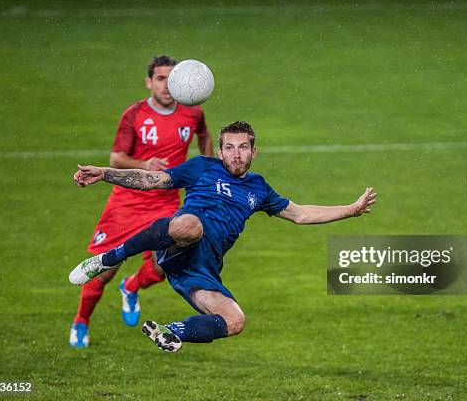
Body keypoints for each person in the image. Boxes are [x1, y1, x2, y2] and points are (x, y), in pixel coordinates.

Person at [69, 121, 377, 353]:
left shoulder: (259, 188)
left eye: (243, 147)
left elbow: (301, 214)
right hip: (179, 241)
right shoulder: (202, 167)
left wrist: (351, 210)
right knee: (191, 225)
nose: (236, 154)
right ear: (219, 151)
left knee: (234, 320)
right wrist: (105, 173)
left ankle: (173, 331)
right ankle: (109, 258)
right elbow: (152, 180)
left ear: (254, 151)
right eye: (229, 147)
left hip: (201, 268)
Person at [69, 55, 213, 348]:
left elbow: (204, 136)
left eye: (171, 79)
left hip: (166, 202)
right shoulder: (134, 115)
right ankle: (81, 321)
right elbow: (116, 159)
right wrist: (143, 164)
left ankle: (131, 286)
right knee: (104, 270)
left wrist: (207, 168)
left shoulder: (193, 113)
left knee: (165, 267)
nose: (167, 85)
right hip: (127, 203)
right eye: (160, 79)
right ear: (149, 82)